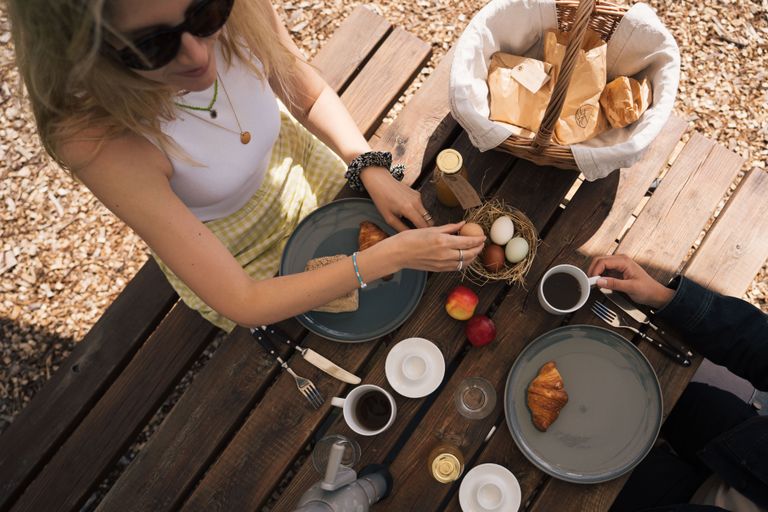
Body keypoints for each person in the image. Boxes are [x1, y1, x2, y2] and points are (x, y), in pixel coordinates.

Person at [6, 0, 485, 332]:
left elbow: (306, 91)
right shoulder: (93, 136)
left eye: (206, 12)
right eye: (150, 46)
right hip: (236, 251)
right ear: (87, 52)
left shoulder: (239, 12)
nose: (197, 55)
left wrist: (367, 165)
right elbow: (245, 303)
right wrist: (391, 257)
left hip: (296, 162)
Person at [588, 254, 768, 512]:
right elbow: (760, 346)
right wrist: (664, 297)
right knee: (657, 393)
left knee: (597, 458)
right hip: (747, 443)